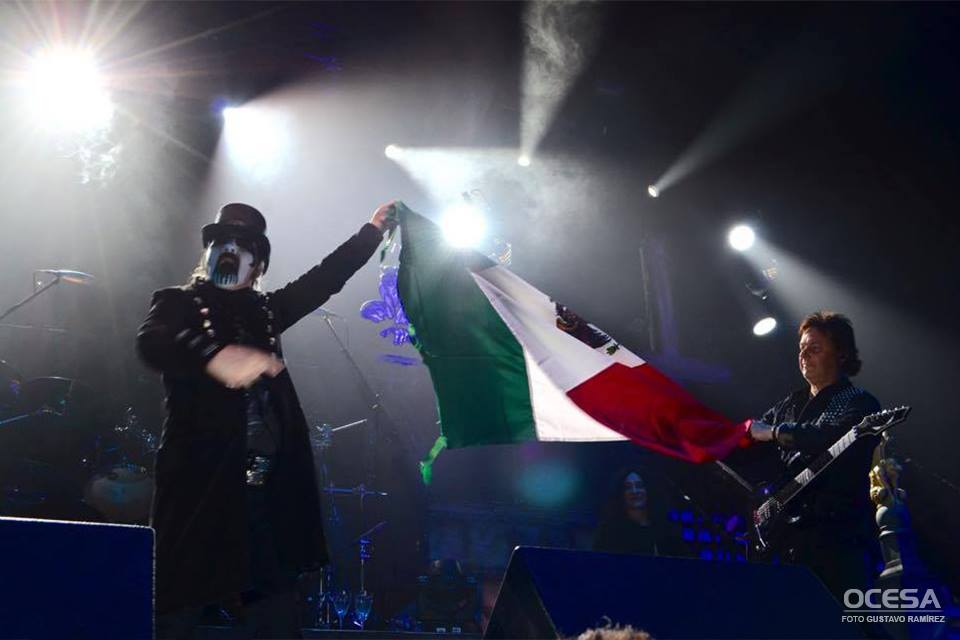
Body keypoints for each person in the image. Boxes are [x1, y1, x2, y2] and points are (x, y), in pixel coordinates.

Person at [137, 201, 396, 638]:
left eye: (242, 245)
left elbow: (324, 279)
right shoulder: (178, 302)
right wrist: (213, 355)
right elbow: (152, 341)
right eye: (221, 242)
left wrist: (371, 231)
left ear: (258, 265)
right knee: (177, 603)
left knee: (275, 609)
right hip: (202, 482)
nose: (229, 250)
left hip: (264, 489)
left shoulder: (267, 311)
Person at [748, 310, 881, 601]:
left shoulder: (859, 402)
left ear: (841, 353)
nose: (804, 355)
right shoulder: (788, 404)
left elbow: (828, 437)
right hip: (784, 542)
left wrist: (773, 432)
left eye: (815, 348)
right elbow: (753, 441)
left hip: (837, 542)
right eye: (802, 348)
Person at [593, 468, 666, 556]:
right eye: (628, 487)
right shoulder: (609, 532)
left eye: (639, 486)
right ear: (621, 493)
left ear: (648, 490)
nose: (634, 491)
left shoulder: (664, 530)